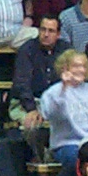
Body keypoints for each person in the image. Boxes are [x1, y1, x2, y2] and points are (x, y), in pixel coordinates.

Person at [38, 49, 88, 171]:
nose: (81, 70)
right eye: (76, 66)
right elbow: (52, 114)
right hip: (67, 144)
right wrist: (64, 87)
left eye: (83, 66)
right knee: (79, 159)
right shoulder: (53, 92)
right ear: (64, 68)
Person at [11, 14, 63, 144]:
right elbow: (22, 83)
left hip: (58, 104)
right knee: (31, 124)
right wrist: (31, 109)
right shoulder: (27, 50)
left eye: (51, 31)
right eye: (43, 29)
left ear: (58, 34)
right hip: (27, 103)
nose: (46, 34)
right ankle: (39, 159)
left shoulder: (66, 50)